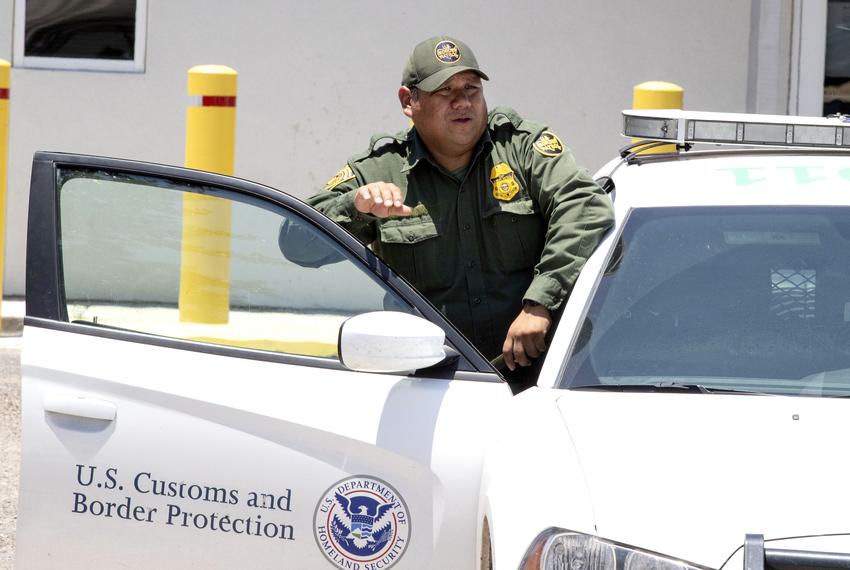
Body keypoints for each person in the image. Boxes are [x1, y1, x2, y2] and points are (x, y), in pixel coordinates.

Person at [288, 35, 614, 371]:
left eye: (471, 89)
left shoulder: (521, 148)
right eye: (445, 91)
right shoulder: (378, 169)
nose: (463, 102)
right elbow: (295, 243)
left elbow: (586, 206)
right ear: (408, 101)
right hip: (429, 378)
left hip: (537, 370)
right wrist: (355, 205)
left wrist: (540, 303)